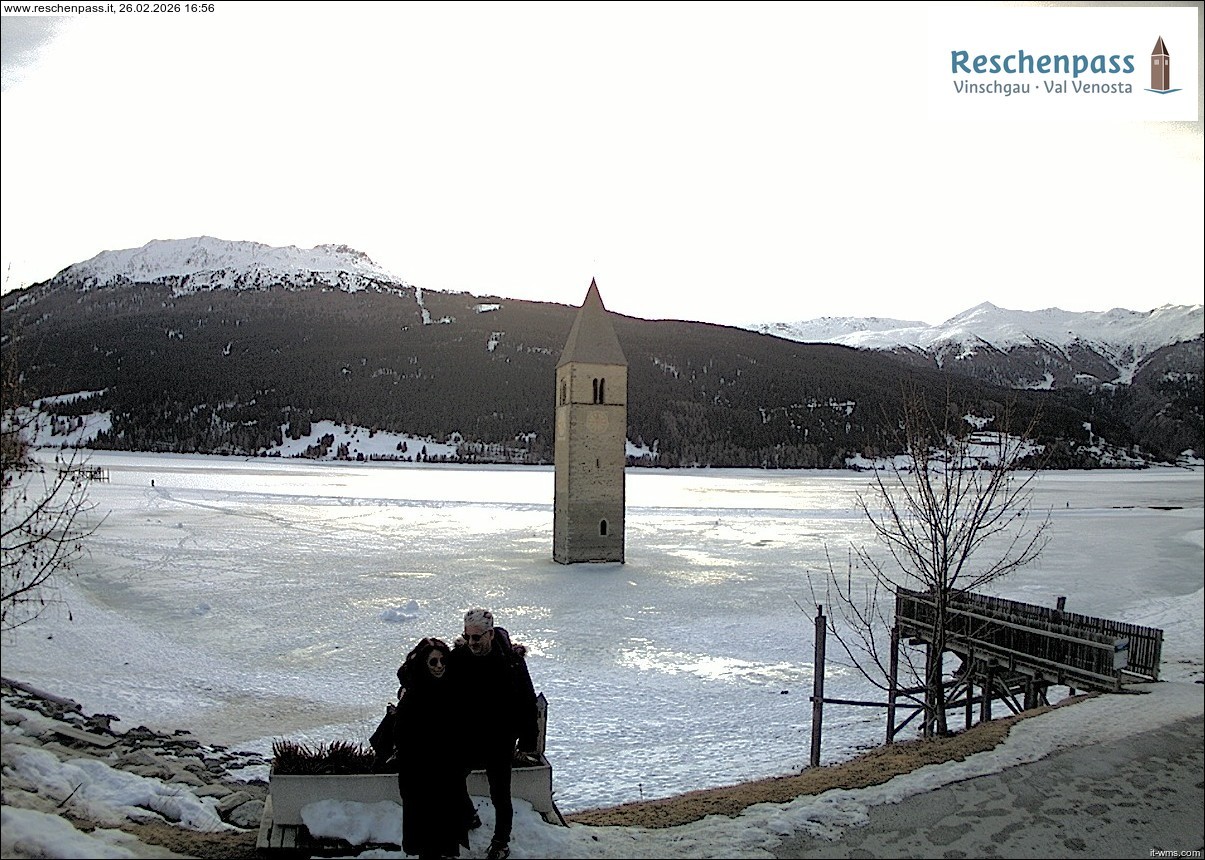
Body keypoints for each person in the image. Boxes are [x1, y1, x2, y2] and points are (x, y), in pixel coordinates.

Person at [448, 608, 538, 860]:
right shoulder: (459, 658)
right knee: (452, 777)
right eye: (467, 637)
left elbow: (527, 701)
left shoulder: (511, 661)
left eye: (476, 638)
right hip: (467, 736)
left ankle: (501, 841)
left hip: (500, 737)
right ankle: (468, 816)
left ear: (489, 634)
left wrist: (528, 741)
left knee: (500, 793)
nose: (472, 643)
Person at [392, 637, 469, 860]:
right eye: (433, 662)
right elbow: (403, 737)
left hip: (449, 776)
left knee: (447, 837)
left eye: (443, 661)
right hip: (421, 778)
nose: (439, 666)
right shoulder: (413, 695)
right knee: (428, 840)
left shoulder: (452, 689)